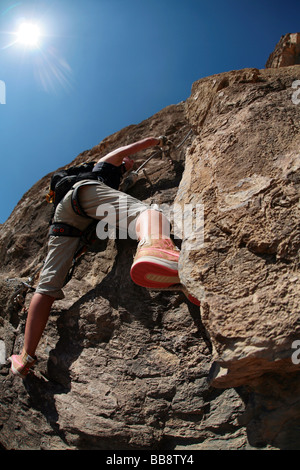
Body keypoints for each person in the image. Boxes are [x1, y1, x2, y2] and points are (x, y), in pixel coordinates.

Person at [8, 136, 184, 379]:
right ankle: (156, 246)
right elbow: (126, 148)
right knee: (146, 213)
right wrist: (155, 140)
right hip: (85, 195)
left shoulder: (103, 178)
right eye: (126, 162)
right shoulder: (102, 166)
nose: (129, 161)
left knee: (47, 287)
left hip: (66, 220)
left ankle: (25, 356)